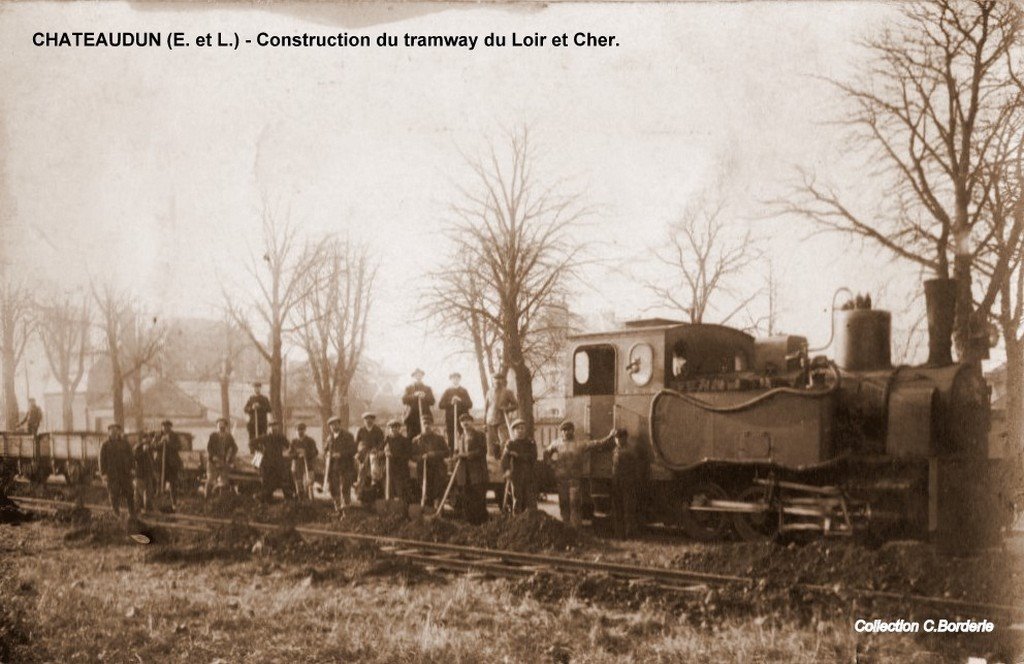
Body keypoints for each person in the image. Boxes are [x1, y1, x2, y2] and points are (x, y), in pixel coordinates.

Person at [588, 428, 649, 538]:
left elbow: (636, 467)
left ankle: (629, 533)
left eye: (620, 438)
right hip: (617, 482)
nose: (618, 440)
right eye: (616, 438)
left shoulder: (630, 451)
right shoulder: (615, 450)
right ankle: (619, 534)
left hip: (628, 482)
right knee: (618, 509)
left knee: (628, 509)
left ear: (625, 438)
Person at [544, 420, 595, 527]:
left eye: (569, 430)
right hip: (561, 479)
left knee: (575, 503)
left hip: (574, 479)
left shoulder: (579, 444)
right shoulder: (556, 443)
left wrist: (609, 437)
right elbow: (546, 454)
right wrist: (553, 465)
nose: (567, 432)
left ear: (573, 431)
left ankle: (576, 530)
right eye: (564, 430)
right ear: (561, 432)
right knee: (563, 503)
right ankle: (566, 529)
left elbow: (595, 444)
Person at [452, 413, 488, 524]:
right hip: (464, 473)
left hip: (477, 473)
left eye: (467, 420)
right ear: (460, 424)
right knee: (466, 498)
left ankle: (481, 523)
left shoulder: (480, 435)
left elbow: (482, 451)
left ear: (472, 422)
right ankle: (469, 522)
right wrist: (455, 456)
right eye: (462, 421)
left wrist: (465, 455)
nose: (465, 423)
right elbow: (458, 452)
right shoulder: (460, 437)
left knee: (479, 498)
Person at [251, 417, 293, 502]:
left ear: (277, 428)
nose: (274, 428)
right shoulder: (265, 437)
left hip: (278, 463)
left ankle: (288, 501)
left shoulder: (280, 437)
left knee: (282, 482)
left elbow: (289, 446)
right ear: (269, 428)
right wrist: (259, 450)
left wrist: (288, 451)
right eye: (271, 426)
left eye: (275, 426)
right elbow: (252, 443)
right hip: (267, 464)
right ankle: (266, 501)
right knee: (267, 483)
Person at [502, 418, 538, 513]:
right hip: (516, 475)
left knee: (530, 500)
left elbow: (533, 457)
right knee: (517, 499)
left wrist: (518, 455)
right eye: (518, 429)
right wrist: (507, 470)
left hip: (529, 475)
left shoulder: (530, 443)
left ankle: (531, 523)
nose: (520, 431)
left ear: (525, 430)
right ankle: (517, 522)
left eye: (522, 428)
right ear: (514, 431)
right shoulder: (510, 443)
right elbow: (505, 458)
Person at [99, 423, 135, 517]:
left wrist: (132, 468)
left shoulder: (125, 443)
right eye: (112, 430)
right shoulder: (105, 444)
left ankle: (132, 513)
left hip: (125, 473)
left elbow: (131, 456)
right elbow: (101, 460)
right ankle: (116, 514)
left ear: (119, 432)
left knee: (130, 493)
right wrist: (103, 474)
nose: (115, 432)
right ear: (109, 432)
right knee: (114, 494)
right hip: (112, 474)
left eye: (116, 430)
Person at [412, 417, 449, 509]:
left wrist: (434, 454)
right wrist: (421, 457)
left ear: (432, 425)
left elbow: (447, 452)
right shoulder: (416, 440)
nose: (426, 426)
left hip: (438, 469)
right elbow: (412, 456)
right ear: (421, 425)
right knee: (425, 491)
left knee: (437, 491)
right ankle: (428, 512)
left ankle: (439, 512)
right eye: (424, 423)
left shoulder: (439, 438)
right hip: (424, 469)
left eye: (429, 424)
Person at [324, 416, 357, 509]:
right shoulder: (329, 438)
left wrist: (341, 454)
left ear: (339, 424)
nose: (334, 426)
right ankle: (337, 509)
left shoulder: (348, 436)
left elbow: (353, 450)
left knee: (345, 488)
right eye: (331, 425)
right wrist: (327, 454)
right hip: (333, 467)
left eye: (335, 424)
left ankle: (347, 509)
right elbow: (325, 450)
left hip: (346, 467)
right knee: (334, 488)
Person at [485, 374, 518, 458]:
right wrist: (484, 422)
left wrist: (507, 409)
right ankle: (495, 462)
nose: (497, 381)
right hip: (490, 420)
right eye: (495, 379)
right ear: (492, 380)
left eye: (499, 379)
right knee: (493, 443)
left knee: (504, 441)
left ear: (502, 380)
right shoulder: (489, 392)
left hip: (502, 420)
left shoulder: (507, 392)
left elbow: (516, 405)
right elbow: (486, 408)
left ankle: (504, 459)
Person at [355, 412, 385, 504]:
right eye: (366, 419)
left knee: (374, 475)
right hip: (363, 455)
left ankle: (375, 498)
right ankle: (361, 497)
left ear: (373, 420)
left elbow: (382, 443)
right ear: (364, 421)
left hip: (374, 455)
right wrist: (357, 452)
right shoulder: (360, 430)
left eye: (370, 419)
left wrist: (376, 449)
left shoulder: (378, 430)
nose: (368, 421)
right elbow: (356, 443)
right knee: (362, 474)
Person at [437, 373, 473, 447]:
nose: (455, 380)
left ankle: (464, 451)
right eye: (453, 378)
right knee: (451, 435)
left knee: (463, 434)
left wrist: (460, 400)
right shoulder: (447, 391)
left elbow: (470, 404)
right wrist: (451, 402)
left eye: (457, 378)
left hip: (462, 418)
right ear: (451, 380)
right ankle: (452, 452)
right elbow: (440, 405)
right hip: (450, 417)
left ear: (459, 379)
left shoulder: (463, 391)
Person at [205, 418, 238, 498]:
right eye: (219, 425)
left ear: (225, 427)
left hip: (224, 462)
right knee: (210, 480)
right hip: (213, 462)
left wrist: (229, 456)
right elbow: (209, 448)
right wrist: (213, 457)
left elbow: (235, 448)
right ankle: (207, 497)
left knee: (224, 482)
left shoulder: (229, 436)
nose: (220, 427)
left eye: (222, 425)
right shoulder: (213, 436)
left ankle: (221, 499)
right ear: (217, 426)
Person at [383, 419, 413, 503]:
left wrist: (393, 455)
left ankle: (402, 508)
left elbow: (408, 455)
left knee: (400, 490)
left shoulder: (404, 440)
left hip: (401, 470)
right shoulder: (386, 440)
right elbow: (379, 452)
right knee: (389, 489)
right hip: (389, 470)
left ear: (399, 428)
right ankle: (391, 507)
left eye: (395, 427)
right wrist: (384, 452)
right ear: (389, 429)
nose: (393, 429)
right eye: (391, 427)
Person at [155, 420, 183, 510]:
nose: (166, 428)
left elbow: (179, 447)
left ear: (171, 427)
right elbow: (153, 447)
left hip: (172, 465)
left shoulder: (174, 436)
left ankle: (174, 503)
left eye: (168, 426)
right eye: (164, 426)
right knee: (160, 484)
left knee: (173, 484)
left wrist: (169, 442)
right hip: (160, 464)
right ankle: (159, 503)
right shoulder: (158, 435)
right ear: (161, 427)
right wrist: (161, 442)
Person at [401, 368, 435, 441]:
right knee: (411, 437)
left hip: (424, 416)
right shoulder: (409, 388)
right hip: (411, 417)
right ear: (413, 377)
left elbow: (432, 401)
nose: (418, 377)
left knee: (425, 436)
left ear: (422, 376)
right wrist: (414, 395)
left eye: (420, 375)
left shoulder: (427, 388)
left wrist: (424, 396)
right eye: (416, 375)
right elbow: (404, 400)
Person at [289, 423, 319, 501]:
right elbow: (290, 454)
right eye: (298, 430)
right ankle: (300, 501)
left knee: (309, 485)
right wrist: (297, 455)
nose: (300, 432)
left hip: (308, 466)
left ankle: (310, 502)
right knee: (298, 484)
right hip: (297, 466)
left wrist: (306, 453)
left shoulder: (310, 441)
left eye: (302, 430)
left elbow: (315, 452)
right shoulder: (294, 442)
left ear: (305, 430)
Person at [132, 430, 157, 512]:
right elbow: (135, 458)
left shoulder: (149, 447)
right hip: (140, 474)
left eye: (149, 438)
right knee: (141, 493)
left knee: (148, 492)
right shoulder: (138, 447)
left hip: (148, 474)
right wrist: (143, 451)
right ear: (142, 439)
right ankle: (140, 510)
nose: (148, 439)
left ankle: (145, 509)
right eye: (146, 438)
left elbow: (151, 460)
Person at [243, 382, 271, 450]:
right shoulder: (251, 398)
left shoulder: (264, 398)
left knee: (262, 437)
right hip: (253, 422)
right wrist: (252, 408)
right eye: (255, 388)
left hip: (262, 422)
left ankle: (262, 451)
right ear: (254, 389)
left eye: (258, 388)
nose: (257, 389)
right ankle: (252, 451)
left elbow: (269, 409)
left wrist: (260, 407)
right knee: (252, 437)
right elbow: (245, 409)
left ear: (260, 388)